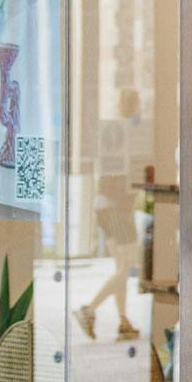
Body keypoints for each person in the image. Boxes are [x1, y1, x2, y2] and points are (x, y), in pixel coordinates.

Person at [78, 89, 146, 341]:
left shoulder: (112, 132)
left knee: (121, 266)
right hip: (118, 206)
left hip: (104, 206)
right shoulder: (129, 133)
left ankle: (123, 321)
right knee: (126, 266)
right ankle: (89, 310)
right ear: (134, 105)